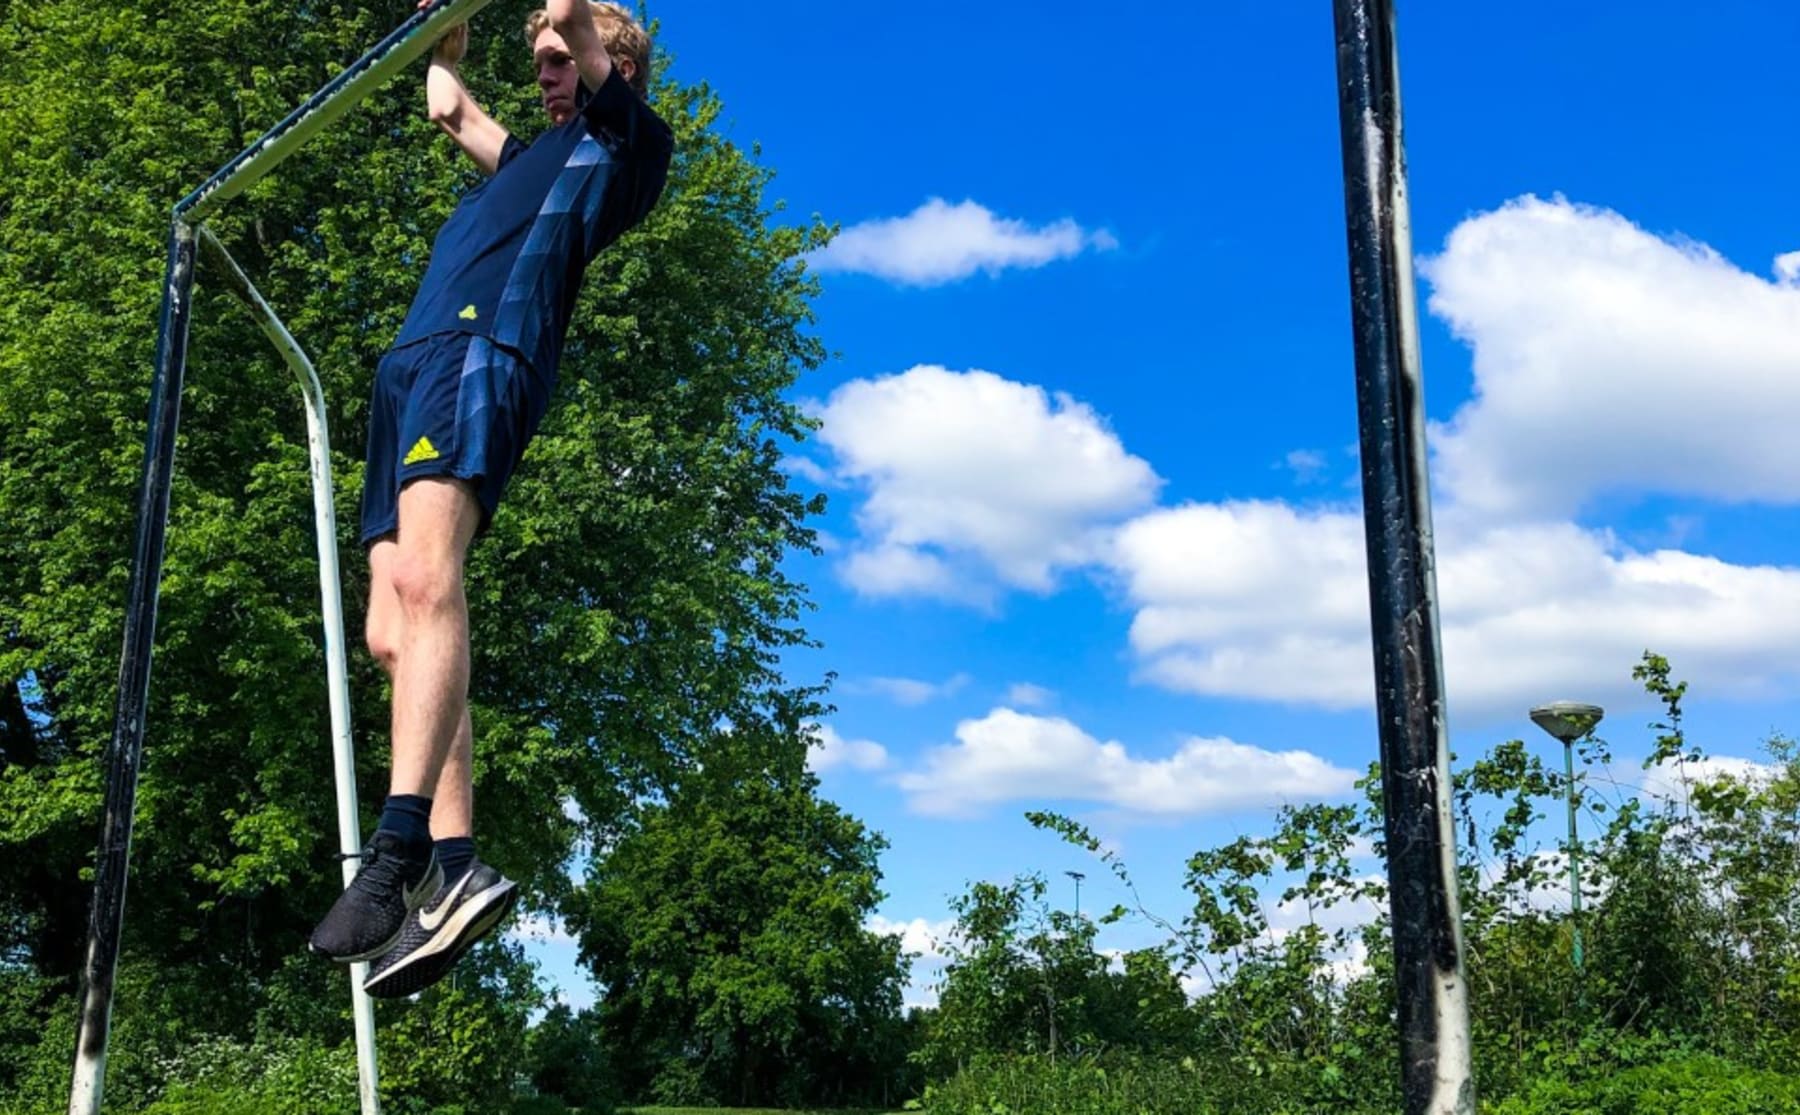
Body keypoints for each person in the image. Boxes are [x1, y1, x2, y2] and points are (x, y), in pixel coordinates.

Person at [307, 0, 673, 1000]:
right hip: (408, 369)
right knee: (391, 629)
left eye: (560, 60)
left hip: (481, 353)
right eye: (543, 62)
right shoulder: (525, 161)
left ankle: (395, 850)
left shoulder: (627, 148)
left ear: (614, 67)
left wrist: (569, 23)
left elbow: (575, 19)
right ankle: (456, 864)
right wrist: (443, 38)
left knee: (431, 577)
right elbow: (447, 108)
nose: (548, 71)